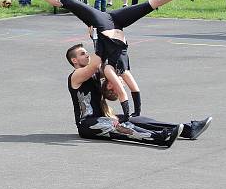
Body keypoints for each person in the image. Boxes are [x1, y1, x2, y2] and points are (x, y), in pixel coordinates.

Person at [18, 0, 208, 120]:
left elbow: (124, 91)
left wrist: (129, 115)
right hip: (113, 23)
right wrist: (136, 113)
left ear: (107, 85)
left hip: (104, 24)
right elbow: (133, 89)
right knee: (147, 5)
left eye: (112, 86)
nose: (119, 83)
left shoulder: (109, 69)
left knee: (65, 2)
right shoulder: (121, 70)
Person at [65, 44, 211, 146]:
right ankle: (159, 137)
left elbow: (110, 68)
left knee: (136, 119)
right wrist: (100, 38)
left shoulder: (94, 73)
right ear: (74, 60)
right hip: (87, 124)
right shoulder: (76, 76)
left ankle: (187, 129)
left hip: (102, 116)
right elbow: (97, 63)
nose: (87, 55)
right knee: (118, 125)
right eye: (83, 53)